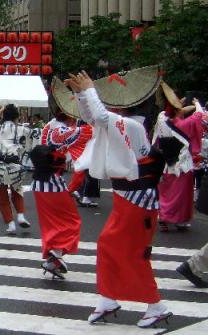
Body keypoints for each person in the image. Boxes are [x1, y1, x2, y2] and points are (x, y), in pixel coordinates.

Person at [66, 69, 171, 328]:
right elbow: (94, 117)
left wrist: (89, 90)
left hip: (138, 200)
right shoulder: (124, 124)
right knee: (108, 246)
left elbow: (100, 115)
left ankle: (156, 306)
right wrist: (81, 94)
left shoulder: (132, 126)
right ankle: (107, 297)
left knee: (133, 253)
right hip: (128, 198)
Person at [30, 78, 91, 278]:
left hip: (41, 182)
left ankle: (54, 257)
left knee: (53, 223)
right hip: (52, 182)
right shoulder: (62, 131)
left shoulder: (49, 126)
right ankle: (55, 256)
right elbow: (90, 131)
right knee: (71, 221)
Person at [154, 83, 207, 232]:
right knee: (182, 195)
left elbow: (178, 111)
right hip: (182, 164)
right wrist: (197, 103)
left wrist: (178, 103)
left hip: (166, 163)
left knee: (166, 192)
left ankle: (163, 217)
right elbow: (199, 116)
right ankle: (180, 220)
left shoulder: (162, 118)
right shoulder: (185, 124)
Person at [0, 104, 38, 234]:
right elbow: (36, 136)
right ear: (17, 117)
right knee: (17, 191)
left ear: (4, 116)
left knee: (2, 196)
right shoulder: (22, 129)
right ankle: (20, 215)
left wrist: (2, 109)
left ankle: (11, 224)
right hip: (16, 166)